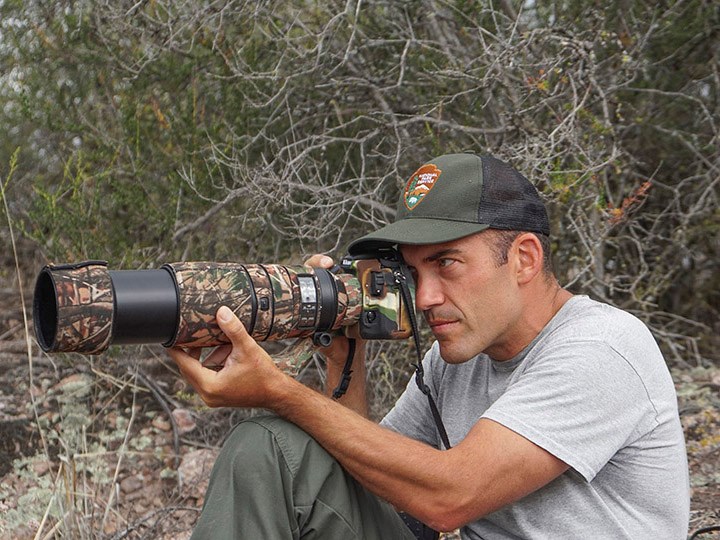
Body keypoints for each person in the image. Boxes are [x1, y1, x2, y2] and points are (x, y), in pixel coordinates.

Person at [169, 153, 690, 539]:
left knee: (281, 430)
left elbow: (449, 496)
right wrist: (344, 359)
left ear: (525, 260)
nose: (424, 297)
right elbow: (372, 481)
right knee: (266, 450)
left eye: (447, 264)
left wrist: (281, 392)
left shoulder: (602, 348)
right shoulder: (456, 356)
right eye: (413, 272)